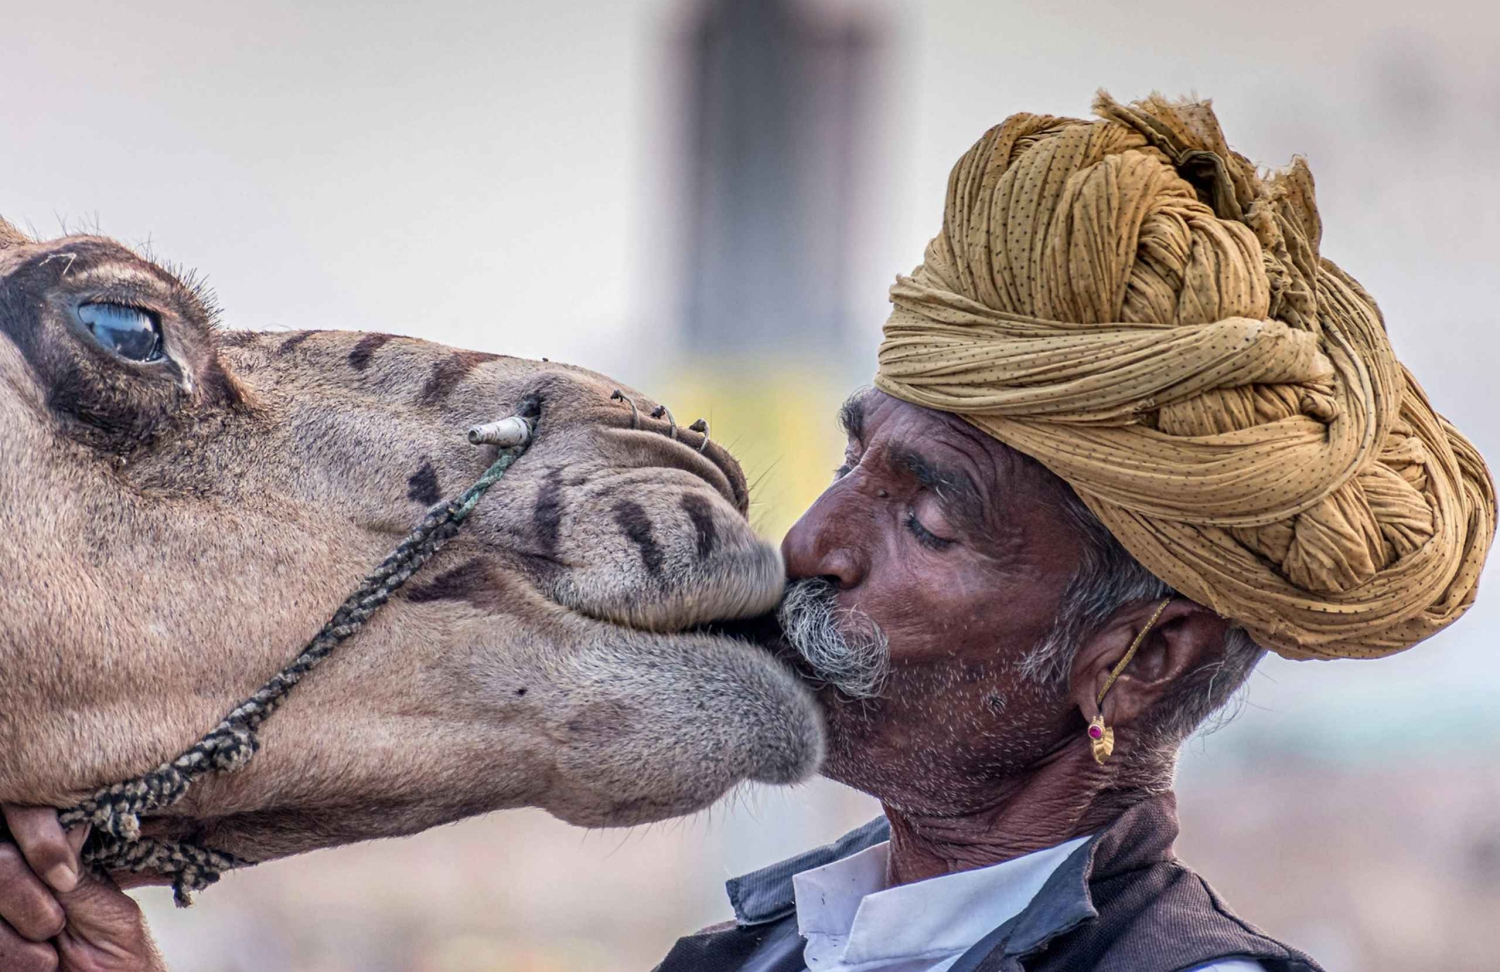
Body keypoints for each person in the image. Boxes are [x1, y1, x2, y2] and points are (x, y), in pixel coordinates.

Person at [2, 92, 1493, 972]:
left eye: (929, 516)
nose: (815, 539)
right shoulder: (759, 950)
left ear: (1137, 656)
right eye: (854, 462)